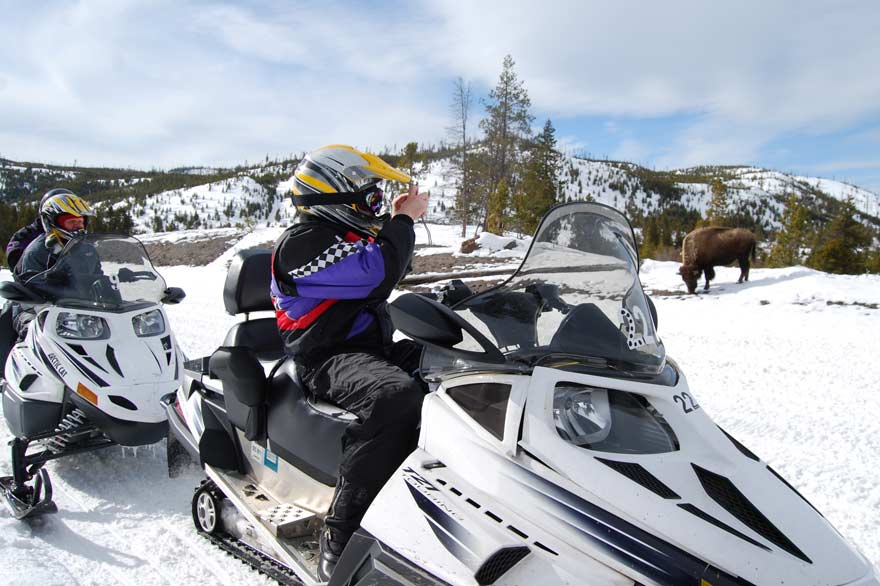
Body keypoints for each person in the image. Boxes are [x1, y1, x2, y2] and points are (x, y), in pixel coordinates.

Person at [270, 145, 429, 580]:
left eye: (376, 199)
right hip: (326, 359)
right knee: (397, 398)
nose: (373, 207)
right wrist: (403, 218)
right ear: (333, 193)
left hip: (370, 350)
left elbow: (385, 269)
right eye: (368, 198)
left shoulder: (342, 238)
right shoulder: (301, 246)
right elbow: (379, 272)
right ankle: (341, 532)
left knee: (454, 368)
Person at [12, 190, 96, 336]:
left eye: (80, 222)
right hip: (36, 310)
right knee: (33, 333)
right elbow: (33, 293)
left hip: (78, 311)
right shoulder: (37, 252)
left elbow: (96, 276)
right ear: (53, 222)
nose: (78, 227)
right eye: (71, 222)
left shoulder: (87, 250)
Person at [4, 188, 76, 271]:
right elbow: (15, 259)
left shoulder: (75, 233)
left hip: (73, 281)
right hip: (37, 279)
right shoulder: (26, 234)